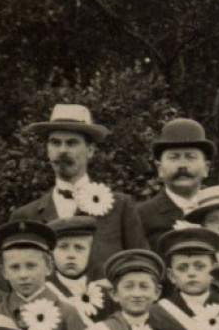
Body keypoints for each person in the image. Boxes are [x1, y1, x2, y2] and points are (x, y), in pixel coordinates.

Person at [8, 103, 147, 275]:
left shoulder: (119, 208)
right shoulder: (25, 216)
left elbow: (141, 268)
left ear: (90, 150)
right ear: (47, 150)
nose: (62, 150)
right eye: (55, 143)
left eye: (71, 143)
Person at [137, 118, 215, 247]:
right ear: (159, 168)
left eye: (190, 157)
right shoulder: (140, 217)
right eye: (174, 157)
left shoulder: (218, 211)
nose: (182, 165)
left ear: (206, 168)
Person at [155, 226, 219, 330]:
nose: (191, 273)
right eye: (182, 268)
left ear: (214, 271)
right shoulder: (158, 314)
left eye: (199, 267)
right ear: (171, 276)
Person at [47, 216, 110, 326]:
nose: (71, 255)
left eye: (79, 248)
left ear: (89, 252)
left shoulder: (103, 291)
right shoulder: (46, 290)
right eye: (63, 247)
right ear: (52, 252)